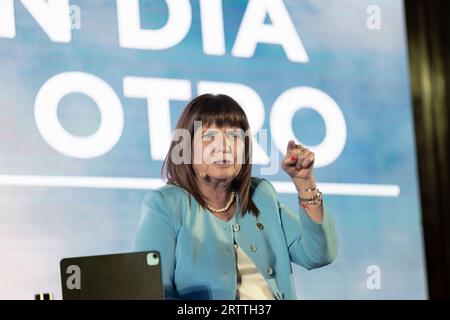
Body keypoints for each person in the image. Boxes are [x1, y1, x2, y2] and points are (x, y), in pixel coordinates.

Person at [133, 93, 338, 300]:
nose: (224, 146)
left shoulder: (261, 194)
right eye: (209, 137)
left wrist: (304, 184)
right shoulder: (165, 204)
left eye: (234, 136)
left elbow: (318, 255)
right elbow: (150, 293)